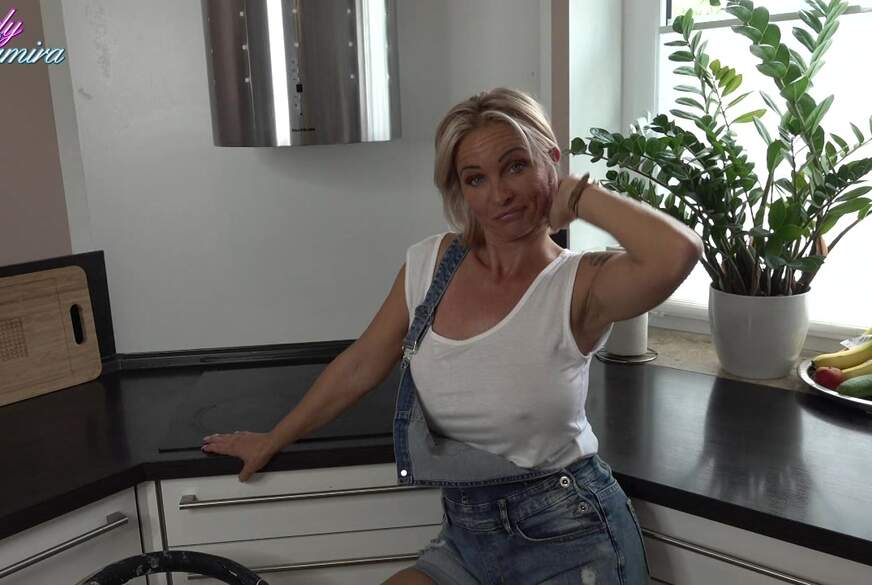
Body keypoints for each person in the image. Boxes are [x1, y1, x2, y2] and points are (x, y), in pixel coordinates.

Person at [202, 88, 702, 584]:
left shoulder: (580, 284)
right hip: (467, 537)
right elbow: (360, 364)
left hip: (570, 535)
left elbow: (677, 253)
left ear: (550, 160)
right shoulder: (430, 264)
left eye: (516, 166)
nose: (499, 195)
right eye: (476, 178)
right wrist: (274, 437)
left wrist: (578, 196)